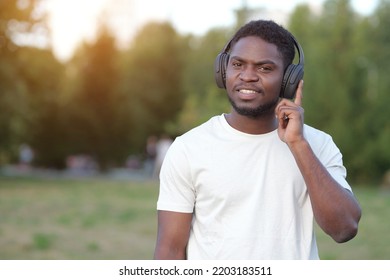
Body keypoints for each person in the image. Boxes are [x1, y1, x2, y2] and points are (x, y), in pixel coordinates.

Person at [154, 20, 361, 260]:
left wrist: (298, 145)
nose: (248, 76)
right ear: (223, 70)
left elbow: (344, 228)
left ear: (289, 80)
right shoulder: (188, 148)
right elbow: (169, 250)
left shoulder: (318, 145)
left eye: (264, 68)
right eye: (238, 64)